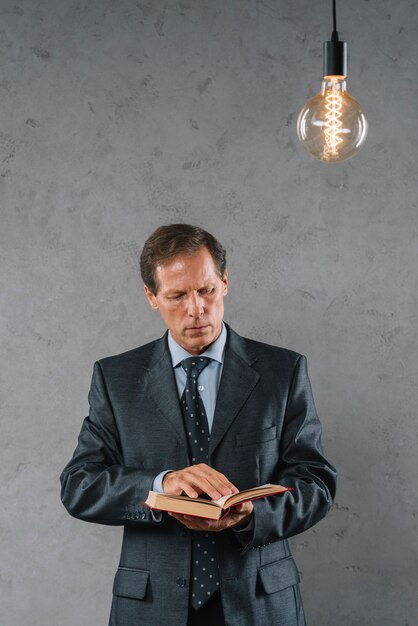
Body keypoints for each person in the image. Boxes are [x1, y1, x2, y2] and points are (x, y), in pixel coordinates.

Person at [60, 223, 336, 626]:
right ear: (151, 297)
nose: (196, 309)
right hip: (151, 607)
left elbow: (317, 482)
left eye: (206, 290)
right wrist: (161, 485)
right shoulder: (116, 378)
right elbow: (79, 485)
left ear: (224, 282)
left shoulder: (284, 370)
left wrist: (250, 515)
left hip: (260, 604)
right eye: (176, 295)